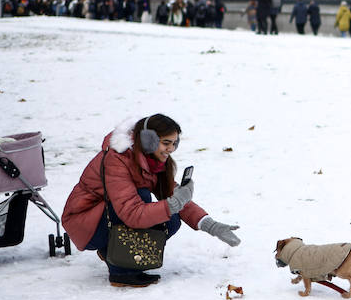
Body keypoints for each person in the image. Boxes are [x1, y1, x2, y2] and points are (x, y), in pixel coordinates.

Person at [61, 114, 240, 287]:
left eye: (175, 143)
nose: (171, 149)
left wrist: (209, 225)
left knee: (171, 219)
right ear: (148, 140)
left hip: (106, 217)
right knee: (144, 198)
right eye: (166, 143)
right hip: (85, 224)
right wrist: (172, 204)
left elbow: (171, 196)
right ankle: (122, 272)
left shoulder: (152, 160)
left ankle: (115, 253)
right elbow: (130, 213)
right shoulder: (117, 159)